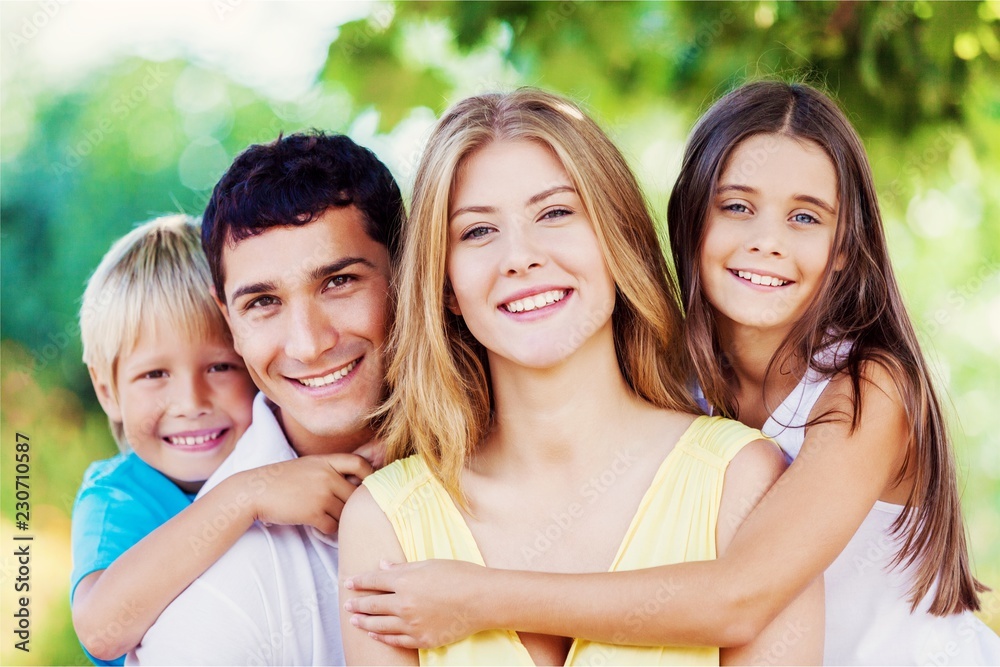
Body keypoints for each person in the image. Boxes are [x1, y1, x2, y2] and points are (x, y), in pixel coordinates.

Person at [342, 82, 1000, 663]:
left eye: (805, 217)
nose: (767, 239)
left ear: (843, 250)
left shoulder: (865, 390)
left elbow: (737, 597)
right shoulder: (689, 383)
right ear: (689, 221)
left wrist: (485, 598)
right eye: (737, 206)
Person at [130, 132, 404, 665]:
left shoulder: (514, 434)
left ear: (407, 270)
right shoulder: (215, 602)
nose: (309, 343)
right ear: (227, 316)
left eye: (340, 281)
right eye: (263, 301)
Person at [72, 215, 354, 665]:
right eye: (154, 374)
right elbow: (100, 630)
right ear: (108, 391)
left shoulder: (283, 450)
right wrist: (247, 496)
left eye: (220, 367)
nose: (191, 401)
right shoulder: (118, 496)